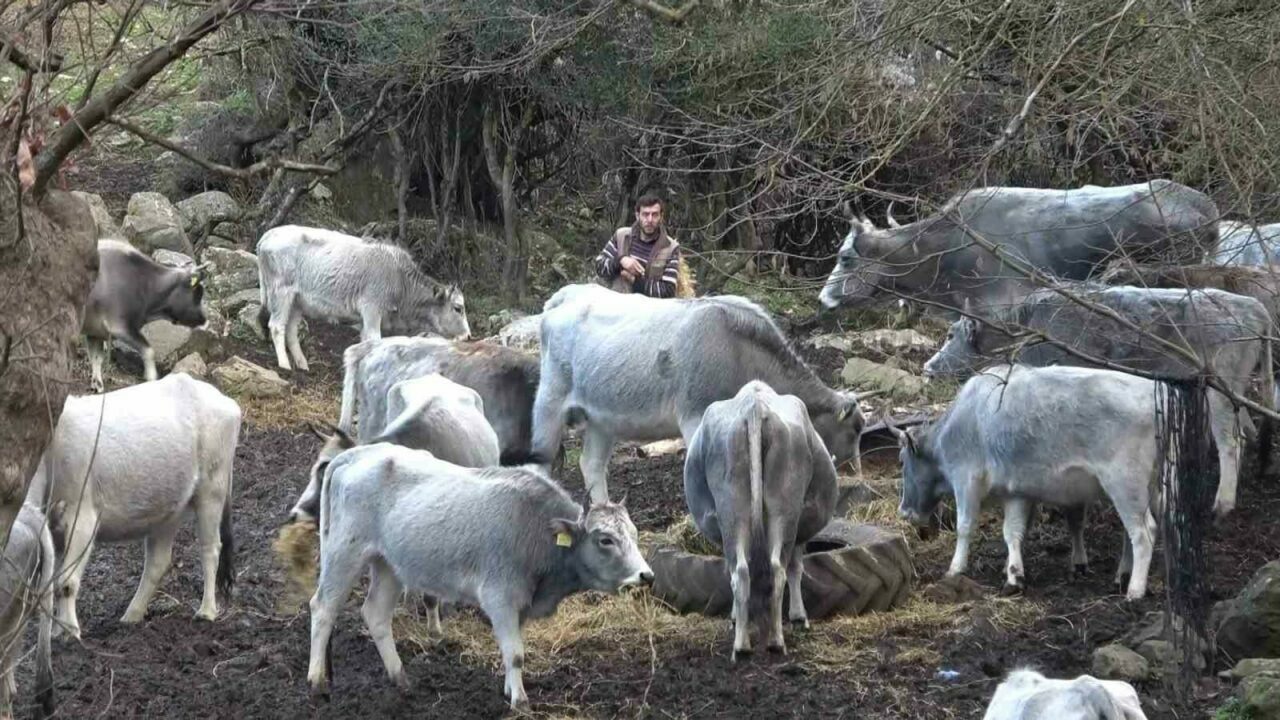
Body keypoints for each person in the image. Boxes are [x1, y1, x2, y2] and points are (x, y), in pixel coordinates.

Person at [595, 193, 682, 299]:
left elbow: (668, 292)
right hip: (613, 305)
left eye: (654, 215)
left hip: (648, 313)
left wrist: (635, 280)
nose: (650, 220)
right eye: (645, 214)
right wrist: (620, 262)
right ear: (637, 215)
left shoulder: (671, 248)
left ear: (661, 217)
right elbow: (599, 267)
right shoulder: (621, 236)